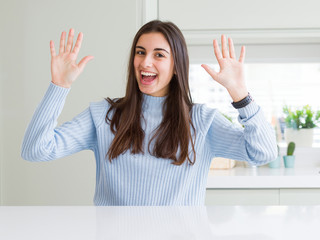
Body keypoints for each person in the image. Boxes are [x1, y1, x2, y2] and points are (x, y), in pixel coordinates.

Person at [21, 20, 277, 206]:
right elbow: (36, 150)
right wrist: (59, 86)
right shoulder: (103, 115)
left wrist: (240, 93)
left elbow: (263, 152)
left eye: (159, 55)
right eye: (140, 52)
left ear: (177, 66)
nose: (145, 62)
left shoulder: (201, 121)